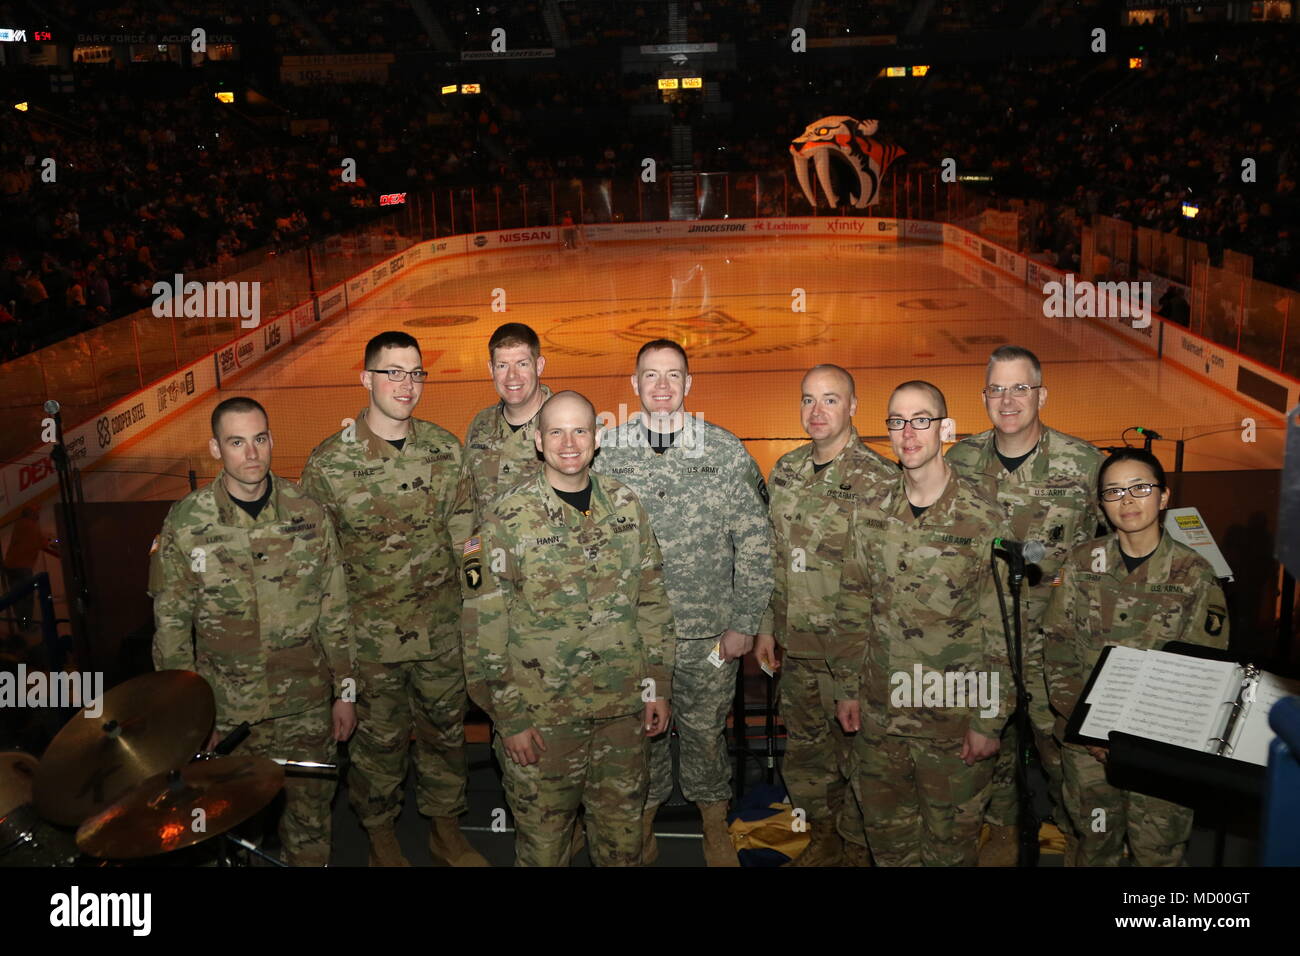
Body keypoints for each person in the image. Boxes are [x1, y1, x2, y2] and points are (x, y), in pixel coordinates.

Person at [461, 391, 674, 866]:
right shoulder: (502, 521)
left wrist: (658, 684)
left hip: (622, 714)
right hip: (542, 721)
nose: (569, 442)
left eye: (580, 430)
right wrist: (508, 718)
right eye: (556, 431)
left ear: (597, 438)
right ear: (538, 441)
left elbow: (653, 601)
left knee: (623, 848)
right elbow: (482, 632)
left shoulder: (625, 504)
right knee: (544, 851)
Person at [300, 331, 487, 868]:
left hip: (442, 633)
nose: (405, 385)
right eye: (392, 372)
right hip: (370, 642)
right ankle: (381, 837)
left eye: (415, 373)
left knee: (446, 736)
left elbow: (468, 537)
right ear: (366, 378)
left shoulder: (445, 448)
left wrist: (475, 607)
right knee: (377, 746)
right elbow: (317, 565)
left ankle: (446, 831)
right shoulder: (329, 465)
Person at [149, 397, 356, 866]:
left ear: (271, 440)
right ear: (215, 448)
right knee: (232, 832)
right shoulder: (187, 523)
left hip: (305, 705)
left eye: (259, 439)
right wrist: (189, 721)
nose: (251, 453)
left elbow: (335, 608)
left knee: (311, 823)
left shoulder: (309, 512)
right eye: (236, 442)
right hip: (226, 715)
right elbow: (172, 630)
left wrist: (345, 692)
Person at [591, 339, 773, 867]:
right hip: (636, 635)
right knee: (641, 735)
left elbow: (756, 542)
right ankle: (641, 829)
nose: (663, 385)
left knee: (705, 732)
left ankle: (714, 826)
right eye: (651, 375)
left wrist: (745, 622)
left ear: (690, 384)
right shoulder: (609, 451)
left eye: (673, 375)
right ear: (634, 385)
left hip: (711, 636)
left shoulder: (722, 450)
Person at [832, 381, 1010, 866]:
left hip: (951, 722)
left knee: (950, 851)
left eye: (921, 420)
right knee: (888, 848)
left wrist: (989, 720)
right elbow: (854, 603)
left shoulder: (985, 515)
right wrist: (847, 688)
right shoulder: (869, 511)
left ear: (945, 429)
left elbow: (1002, 630)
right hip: (879, 717)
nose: (908, 433)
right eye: (897, 421)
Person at [945, 345, 1104, 865]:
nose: (1007, 400)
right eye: (996, 389)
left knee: (1070, 773)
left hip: (1054, 656)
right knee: (988, 760)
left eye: (1020, 388)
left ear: (1042, 395)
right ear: (983, 396)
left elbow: (1111, 556)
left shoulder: (1084, 465)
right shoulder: (961, 461)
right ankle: (1005, 837)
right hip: (982, 650)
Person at [1044, 448, 1229, 865]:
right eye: (1113, 491)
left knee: (1157, 854)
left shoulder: (1194, 574)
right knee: (1093, 848)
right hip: (1089, 749)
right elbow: (1056, 651)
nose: (1127, 501)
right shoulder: (1079, 565)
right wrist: (1093, 730)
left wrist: (1138, 738)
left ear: (1163, 497)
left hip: (1160, 753)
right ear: (1101, 504)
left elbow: (1203, 673)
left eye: (1140, 488)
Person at [754, 365, 895, 867]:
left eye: (830, 400)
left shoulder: (880, 480)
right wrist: (768, 627)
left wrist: (857, 672)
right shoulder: (787, 469)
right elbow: (773, 556)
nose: (817, 412)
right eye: (808, 400)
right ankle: (825, 843)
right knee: (808, 760)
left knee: (861, 761)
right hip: (798, 650)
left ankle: (860, 852)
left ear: (854, 406)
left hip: (852, 656)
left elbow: (883, 580)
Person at [452, 322, 552, 550]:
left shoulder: (568, 423)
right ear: (490, 368)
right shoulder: (480, 425)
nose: (512, 376)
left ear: (539, 365)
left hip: (549, 572)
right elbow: (467, 504)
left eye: (522, 364)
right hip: (490, 570)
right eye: (502, 366)